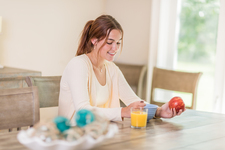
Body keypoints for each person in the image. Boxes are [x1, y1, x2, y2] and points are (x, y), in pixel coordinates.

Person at [58, 15, 185, 123]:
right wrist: (123, 111)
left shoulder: (111, 69)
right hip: (73, 137)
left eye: (118, 42)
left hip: (100, 134)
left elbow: (133, 100)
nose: (115, 48)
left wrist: (159, 111)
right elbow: (83, 110)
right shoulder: (78, 65)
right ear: (94, 40)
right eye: (109, 42)